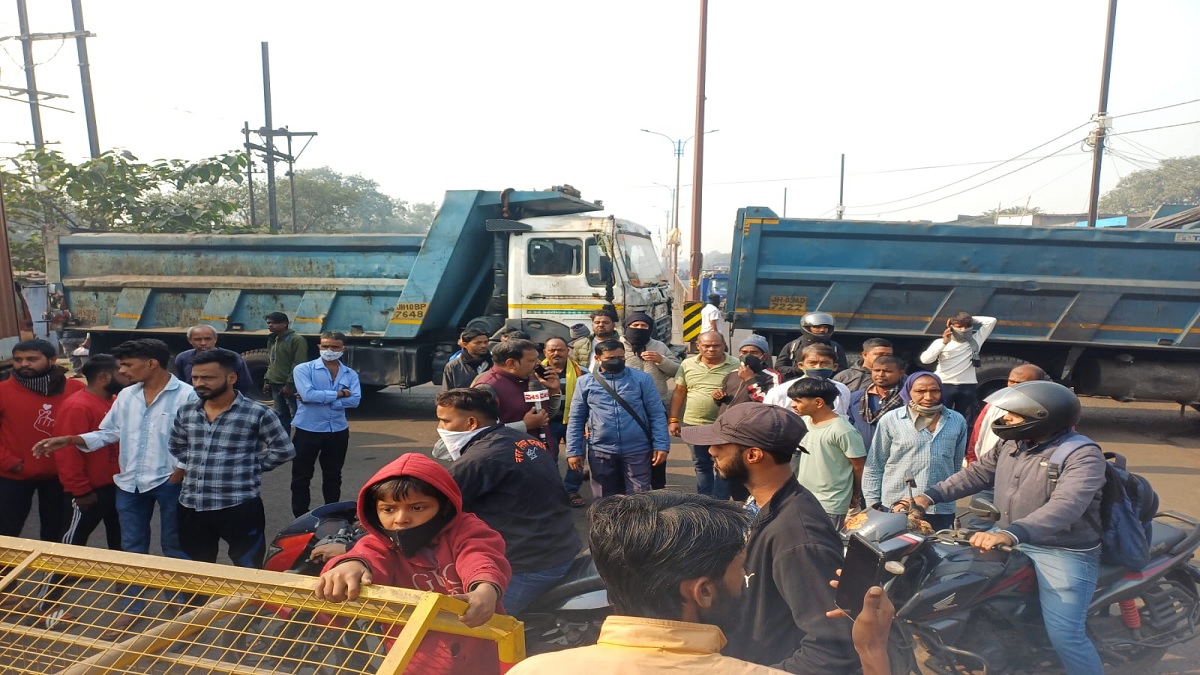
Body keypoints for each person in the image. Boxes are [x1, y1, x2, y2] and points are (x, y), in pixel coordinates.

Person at [509, 491, 895, 675]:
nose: (745, 582)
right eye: (739, 571)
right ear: (703, 592)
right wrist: (873, 651)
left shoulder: (532, 670)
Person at [907, 381, 1106, 675]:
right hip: (1013, 538)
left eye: (1014, 414)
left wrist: (1009, 533)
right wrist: (928, 497)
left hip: (1061, 549)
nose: (1005, 419)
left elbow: (1067, 506)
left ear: (1041, 417)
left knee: (1066, 635)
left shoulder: (1082, 454)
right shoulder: (1013, 443)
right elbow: (976, 474)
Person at [33, 338, 195, 639]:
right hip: (129, 482)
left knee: (174, 545)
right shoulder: (127, 397)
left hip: (170, 482)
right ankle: (131, 611)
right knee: (131, 548)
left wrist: (180, 471)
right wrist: (70, 440)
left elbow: (197, 438)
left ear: (152, 364)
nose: (122, 371)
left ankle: (181, 607)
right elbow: (108, 433)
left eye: (128, 365)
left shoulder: (187, 395)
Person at [682, 403, 859, 673]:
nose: (711, 451)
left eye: (721, 444)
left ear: (753, 455)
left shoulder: (799, 538)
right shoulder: (765, 504)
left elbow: (833, 649)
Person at [314, 453, 511, 675]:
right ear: (374, 510)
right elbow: (366, 555)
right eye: (388, 509)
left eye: (417, 508)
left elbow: (480, 554)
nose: (400, 519)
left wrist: (484, 589)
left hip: (480, 651)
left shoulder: (466, 530)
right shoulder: (382, 542)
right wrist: (350, 564)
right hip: (413, 658)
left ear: (444, 506)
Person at [437, 388, 581, 615]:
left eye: (445, 421)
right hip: (559, 546)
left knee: (475, 629)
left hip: (527, 564)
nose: (440, 428)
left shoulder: (478, 460)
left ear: (471, 422)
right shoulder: (524, 439)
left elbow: (437, 508)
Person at [170, 349, 294, 567]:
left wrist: (250, 467)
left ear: (231, 378)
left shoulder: (257, 413)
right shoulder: (187, 411)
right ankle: (199, 603)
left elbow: (283, 450)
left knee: (248, 568)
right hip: (192, 504)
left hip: (239, 504)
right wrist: (199, 462)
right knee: (194, 570)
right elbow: (177, 445)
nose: (199, 383)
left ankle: (249, 603)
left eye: (208, 378)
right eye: (196, 377)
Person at [0, 339, 84, 543]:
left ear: (52, 359)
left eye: (31, 359)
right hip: (13, 476)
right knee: (6, 532)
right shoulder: (3, 391)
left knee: (55, 532)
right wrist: (10, 462)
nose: (23, 364)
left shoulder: (73, 389)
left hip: (59, 477)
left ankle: (52, 574)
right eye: (18, 359)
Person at [862, 371, 967, 531]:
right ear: (908, 391)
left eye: (934, 391)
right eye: (920, 391)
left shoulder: (956, 420)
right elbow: (875, 465)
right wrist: (873, 504)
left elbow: (955, 465)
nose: (928, 397)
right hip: (898, 505)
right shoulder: (891, 420)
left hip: (941, 506)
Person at [567, 340, 670, 497]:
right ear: (597, 359)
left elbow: (656, 414)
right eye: (610, 358)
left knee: (639, 499)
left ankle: (637, 523)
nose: (616, 361)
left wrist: (661, 445)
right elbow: (576, 418)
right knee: (605, 500)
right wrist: (573, 451)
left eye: (620, 357)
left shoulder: (642, 379)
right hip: (601, 450)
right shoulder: (585, 382)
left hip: (637, 449)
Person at [52, 354, 127, 553]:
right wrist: (80, 490)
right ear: (104, 377)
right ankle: (53, 584)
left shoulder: (116, 402)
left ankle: (124, 583)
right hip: (90, 491)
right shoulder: (78, 406)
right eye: (122, 372)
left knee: (121, 542)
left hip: (116, 486)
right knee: (71, 546)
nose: (129, 375)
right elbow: (67, 451)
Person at [290, 331, 362, 517]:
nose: (330, 350)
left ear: (343, 349)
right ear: (319, 347)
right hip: (308, 429)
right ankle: (300, 516)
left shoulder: (350, 374)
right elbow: (308, 395)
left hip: (337, 430)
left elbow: (355, 401)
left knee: (333, 475)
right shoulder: (303, 369)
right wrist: (340, 394)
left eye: (335, 347)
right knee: (301, 475)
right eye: (325, 346)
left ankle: (332, 514)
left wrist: (322, 398)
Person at [787, 378, 867, 528]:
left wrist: (855, 494)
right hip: (804, 498)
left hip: (831, 504)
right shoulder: (804, 423)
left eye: (798, 401)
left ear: (818, 402)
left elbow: (859, 467)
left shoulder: (843, 430)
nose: (793, 405)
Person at [669, 331, 740, 499]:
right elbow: (679, 392)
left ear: (724, 346)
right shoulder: (687, 364)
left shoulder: (736, 365)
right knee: (701, 464)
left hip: (724, 425)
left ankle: (720, 503)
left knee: (724, 463)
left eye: (716, 345)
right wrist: (673, 419)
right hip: (694, 424)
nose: (711, 349)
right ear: (698, 346)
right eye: (706, 346)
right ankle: (705, 500)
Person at [621, 312, 680, 489]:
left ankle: (657, 489)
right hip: (626, 409)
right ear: (627, 327)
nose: (639, 329)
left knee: (658, 449)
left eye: (644, 326)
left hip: (656, 407)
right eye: (635, 325)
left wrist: (661, 360)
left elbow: (677, 371)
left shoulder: (659, 346)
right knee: (629, 450)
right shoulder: (617, 346)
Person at [473, 339, 561, 442]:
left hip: (540, 451)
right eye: (532, 360)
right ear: (511, 363)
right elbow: (481, 432)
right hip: (510, 454)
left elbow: (546, 415)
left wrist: (554, 391)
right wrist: (524, 425)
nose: (538, 363)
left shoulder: (531, 378)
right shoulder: (487, 387)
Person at [918, 312, 997, 424]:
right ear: (951, 327)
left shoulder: (976, 340)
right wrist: (944, 342)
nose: (963, 330)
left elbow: (991, 321)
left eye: (967, 326)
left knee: (965, 421)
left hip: (967, 385)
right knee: (939, 419)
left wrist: (968, 319)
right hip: (944, 384)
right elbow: (926, 360)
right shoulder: (940, 342)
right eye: (959, 327)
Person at [969, 363, 1048, 464]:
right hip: (987, 468)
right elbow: (977, 436)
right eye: (1011, 381)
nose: (1013, 386)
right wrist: (972, 460)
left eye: (1019, 382)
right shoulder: (993, 405)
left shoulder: (1047, 411)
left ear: (1036, 385)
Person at [541, 337, 586, 506]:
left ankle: (571, 491)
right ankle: (552, 491)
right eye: (552, 350)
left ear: (568, 351)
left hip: (575, 423)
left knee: (577, 457)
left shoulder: (582, 372)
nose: (556, 353)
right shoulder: (535, 372)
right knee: (547, 459)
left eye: (560, 349)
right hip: (546, 423)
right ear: (545, 352)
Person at [763, 343, 852, 417]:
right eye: (812, 363)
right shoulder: (780, 392)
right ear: (801, 366)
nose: (818, 367)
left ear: (835, 367)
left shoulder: (842, 390)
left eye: (825, 363)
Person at [173, 324, 257, 396]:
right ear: (190, 340)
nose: (203, 343)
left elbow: (244, 384)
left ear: (215, 339)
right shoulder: (182, 358)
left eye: (208, 339)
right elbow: (182, 383)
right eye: (198, 339)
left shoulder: (232, 358)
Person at [846, 354, 907, 449]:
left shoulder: (907, 398)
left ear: (901, 373)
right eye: (877, 370)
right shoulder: (855, 397)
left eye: (887, 371)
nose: (881, 375)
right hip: (861, 456)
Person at [263, 311, 309, 433]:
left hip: (289, 385)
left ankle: (301, 443)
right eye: (268, 323)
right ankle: (283, 443)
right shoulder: (273, 340)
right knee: (280, 415)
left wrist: (290, 384)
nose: (270, 325)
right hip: (275, 384)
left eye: (273, 323)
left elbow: (299, 363)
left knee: (297, 415)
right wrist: (267, 380)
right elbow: (271, 362)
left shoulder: (296, 340)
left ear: (285, 324)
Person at [713, 334, 782, 409]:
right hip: (727, 419)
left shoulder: (772, 376)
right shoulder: (732, 374)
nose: (747, 356)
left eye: (754, 353)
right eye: (744, 352)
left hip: (751, 419)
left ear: (764, 356)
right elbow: (724, 402)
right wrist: (718, 396)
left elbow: (770, 402)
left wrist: (750, 380)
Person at [774, 311, 849, 376]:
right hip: (797, 385)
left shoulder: (835, 347)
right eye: (817, 327)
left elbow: (843, 369)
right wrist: (804, 369)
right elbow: (779, 367)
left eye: (825, 327)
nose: (822, 330)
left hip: (827, 385)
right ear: (807, 328)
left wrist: (824, 371)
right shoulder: (793, 346)